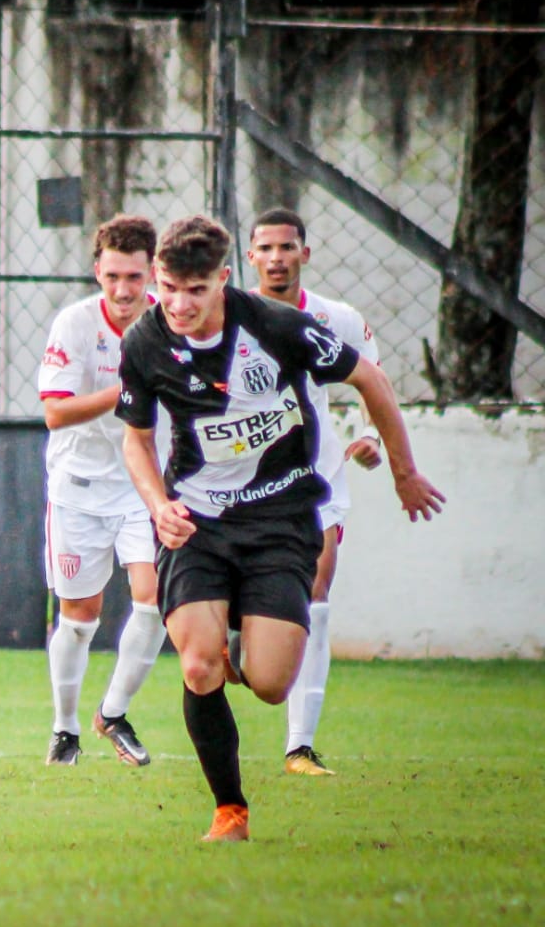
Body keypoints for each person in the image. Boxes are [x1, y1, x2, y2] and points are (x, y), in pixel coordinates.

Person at [115, 215, 444, 842]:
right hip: (198, 523)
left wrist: (403, 472)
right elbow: (134, 440)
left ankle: (244, 629)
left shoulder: (276, 326)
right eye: (168, 288)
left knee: (268, 684)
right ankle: (229, 811)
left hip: (280, 520)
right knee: (198, 667)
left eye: (196, 289)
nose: (179, 304)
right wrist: (158, 503)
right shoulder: (146, 342)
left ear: (223, 279)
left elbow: (369, 379)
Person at [247, 207, 383, 777]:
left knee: (316, 595)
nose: (277, 258)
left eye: (287, 247)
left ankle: (299, 746)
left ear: (305, 253)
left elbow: (373, 377)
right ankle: (243, 641)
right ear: (250, 257)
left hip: (319, 480)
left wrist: (374, 436)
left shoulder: (337, 317)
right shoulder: (233, 316)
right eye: (266, 248)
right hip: (244, 482)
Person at [38, 215, 166, 767]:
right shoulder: (74, 324)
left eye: (134, 277)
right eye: (112, 276)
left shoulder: (171, 321)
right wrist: (126, 392)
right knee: (80, 616)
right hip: (80, 486)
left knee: (156, 598)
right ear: (97, 271)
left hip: (146, 484)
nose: (122, 290)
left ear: (152, 274)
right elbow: (55, 411)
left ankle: (113, 712)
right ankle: (65, 729)